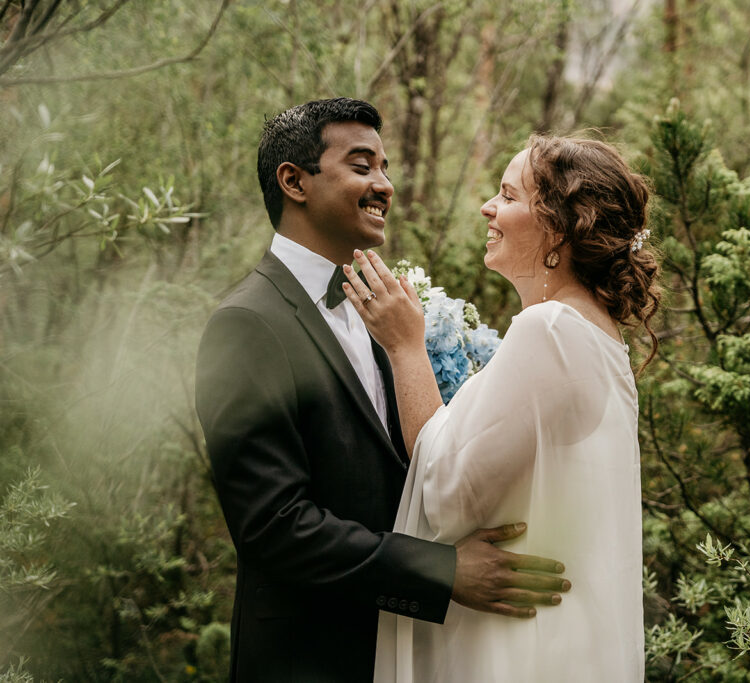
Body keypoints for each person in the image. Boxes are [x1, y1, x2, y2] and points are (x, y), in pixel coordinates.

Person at [194, 98, 570, 683]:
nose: (385, 185)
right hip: (310, 660)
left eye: (386, 167)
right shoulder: (246, 323)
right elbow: (274, 525)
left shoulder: (386, 309)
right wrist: (442, 571)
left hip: (408, 652)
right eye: (363, 165)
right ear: (294, 181)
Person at [342, 134, 660, 682]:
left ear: (558, 228)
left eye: (508, 195)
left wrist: (406, 346)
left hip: (510, 648)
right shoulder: (598, 337)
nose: (488, 207)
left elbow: (444, 491)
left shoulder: (551, 329)